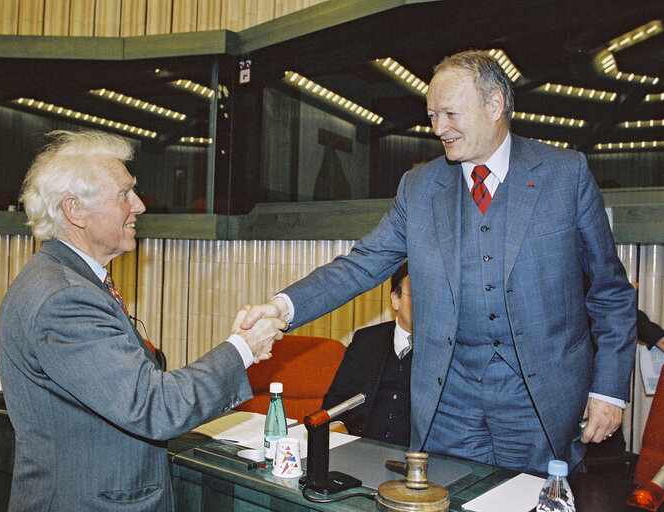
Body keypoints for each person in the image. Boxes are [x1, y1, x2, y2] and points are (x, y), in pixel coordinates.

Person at [242, 50, 636, 474]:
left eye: (450, 113)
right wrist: (281, 308)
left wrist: (609, 390)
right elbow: (362, 264)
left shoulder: (566, 174)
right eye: (432, 115)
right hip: (449, 402)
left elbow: (610, 293)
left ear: (495, 104)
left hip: (540, 401)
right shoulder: (419, 187)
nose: (438, 129)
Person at [0, 130, 287, 511]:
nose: (139, 205)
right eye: (123, 194)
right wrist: (242, 349)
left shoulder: (62, 278)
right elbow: (156, 408)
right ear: (75, 210)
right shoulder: (65, 299)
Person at [322, 262, 413, 445]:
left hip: (415, 460)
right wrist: (339, 428)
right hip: (361, 450)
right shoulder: (366, 340)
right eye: (416, 297)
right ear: (395, 299)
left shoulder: (446, 349)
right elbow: (335, 399)